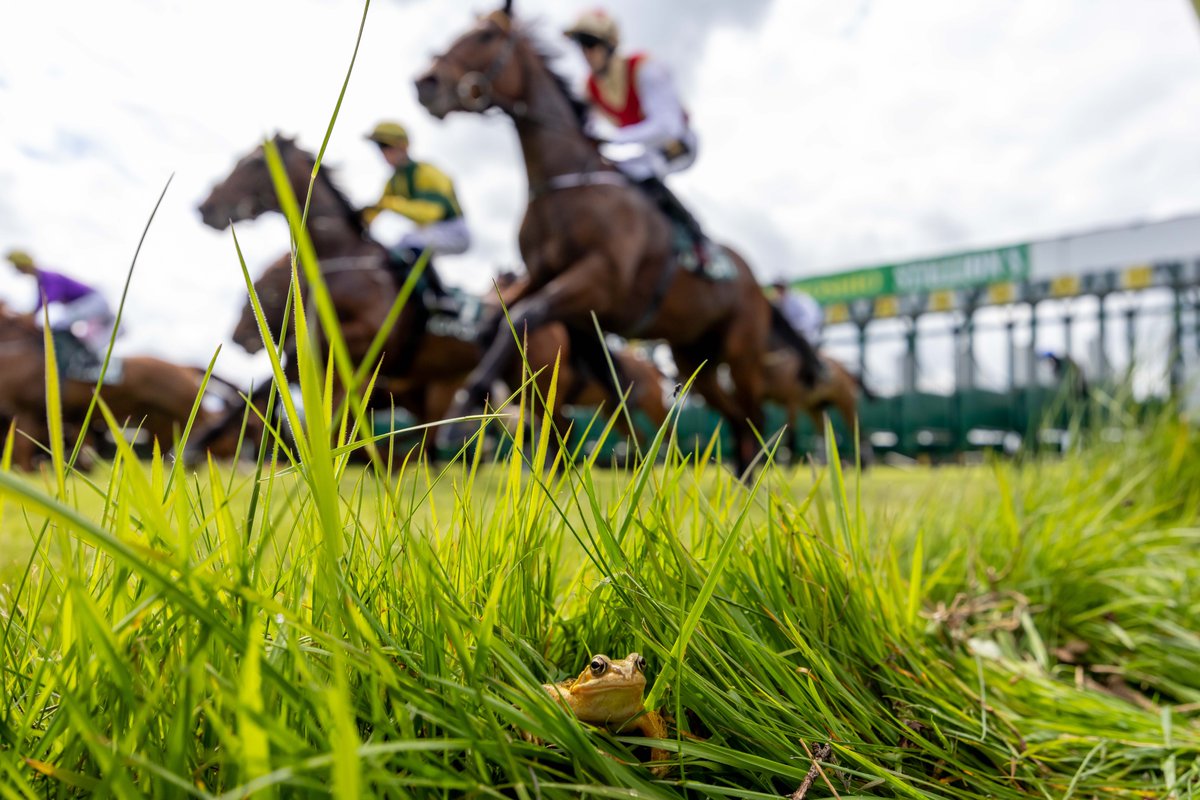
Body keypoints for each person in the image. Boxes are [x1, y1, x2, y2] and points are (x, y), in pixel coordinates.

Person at [563, 9, 715, 265]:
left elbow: (668, 128)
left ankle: (698, 240)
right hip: (641, 149)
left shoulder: (646, 68)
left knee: (640, 171)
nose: (586, 53)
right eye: (581, 45)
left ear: (610, 43)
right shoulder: (589, 88)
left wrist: (612, 139)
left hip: (678, 144)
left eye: (590, 43)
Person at [362, 121, 470, 303]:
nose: (384, 153)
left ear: (403, 146)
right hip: (427, 232)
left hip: (454, 230)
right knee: (393, 252)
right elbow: (375, 211)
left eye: (386, 146)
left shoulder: (427, 172)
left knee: (411, 242)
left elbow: (431, 213)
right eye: (380, 147)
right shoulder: (393, 182)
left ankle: (442, 298)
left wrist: (392, 204)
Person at [5, 249, 117, 358]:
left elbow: (48, 299)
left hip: (93, 300)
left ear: (24, 265)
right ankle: (77, 351)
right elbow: (39, 304)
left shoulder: (49, 277)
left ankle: (79, 355)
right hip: (87, 303)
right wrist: (29, 314)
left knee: (61, 323)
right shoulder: (41, 280)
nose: (17, 270)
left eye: (17, 267)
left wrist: (29, 315)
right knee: (62, 324)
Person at [773, 281, 824, 345]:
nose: (778, 290)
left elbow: (810, 318)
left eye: (780, 287)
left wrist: (794, 328)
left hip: (809, 334)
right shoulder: (780, 302)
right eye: (777, 288)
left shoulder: (798, 298)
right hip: (794, 335)